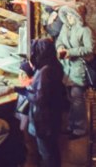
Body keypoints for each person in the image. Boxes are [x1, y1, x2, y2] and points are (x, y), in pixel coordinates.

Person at [21, 37, 68, 167]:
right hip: (53, 117)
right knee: (52, 149)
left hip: (44, 121)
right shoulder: (55, 65)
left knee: (46, 151)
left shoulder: (45, 72)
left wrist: (25, 89)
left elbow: (39, 98)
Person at [55, 5, 94, 137]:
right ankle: (72, 125)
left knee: (77, 98)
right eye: (68, 15)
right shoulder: (66, 27)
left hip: (78, 70)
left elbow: (89, 49)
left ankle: (79, 128)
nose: (69, 18)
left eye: (72, 15)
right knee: (71, 98)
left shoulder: (85, 30)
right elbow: (59, 40)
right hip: (67, 69)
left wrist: (70, 52)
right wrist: (60, 47)